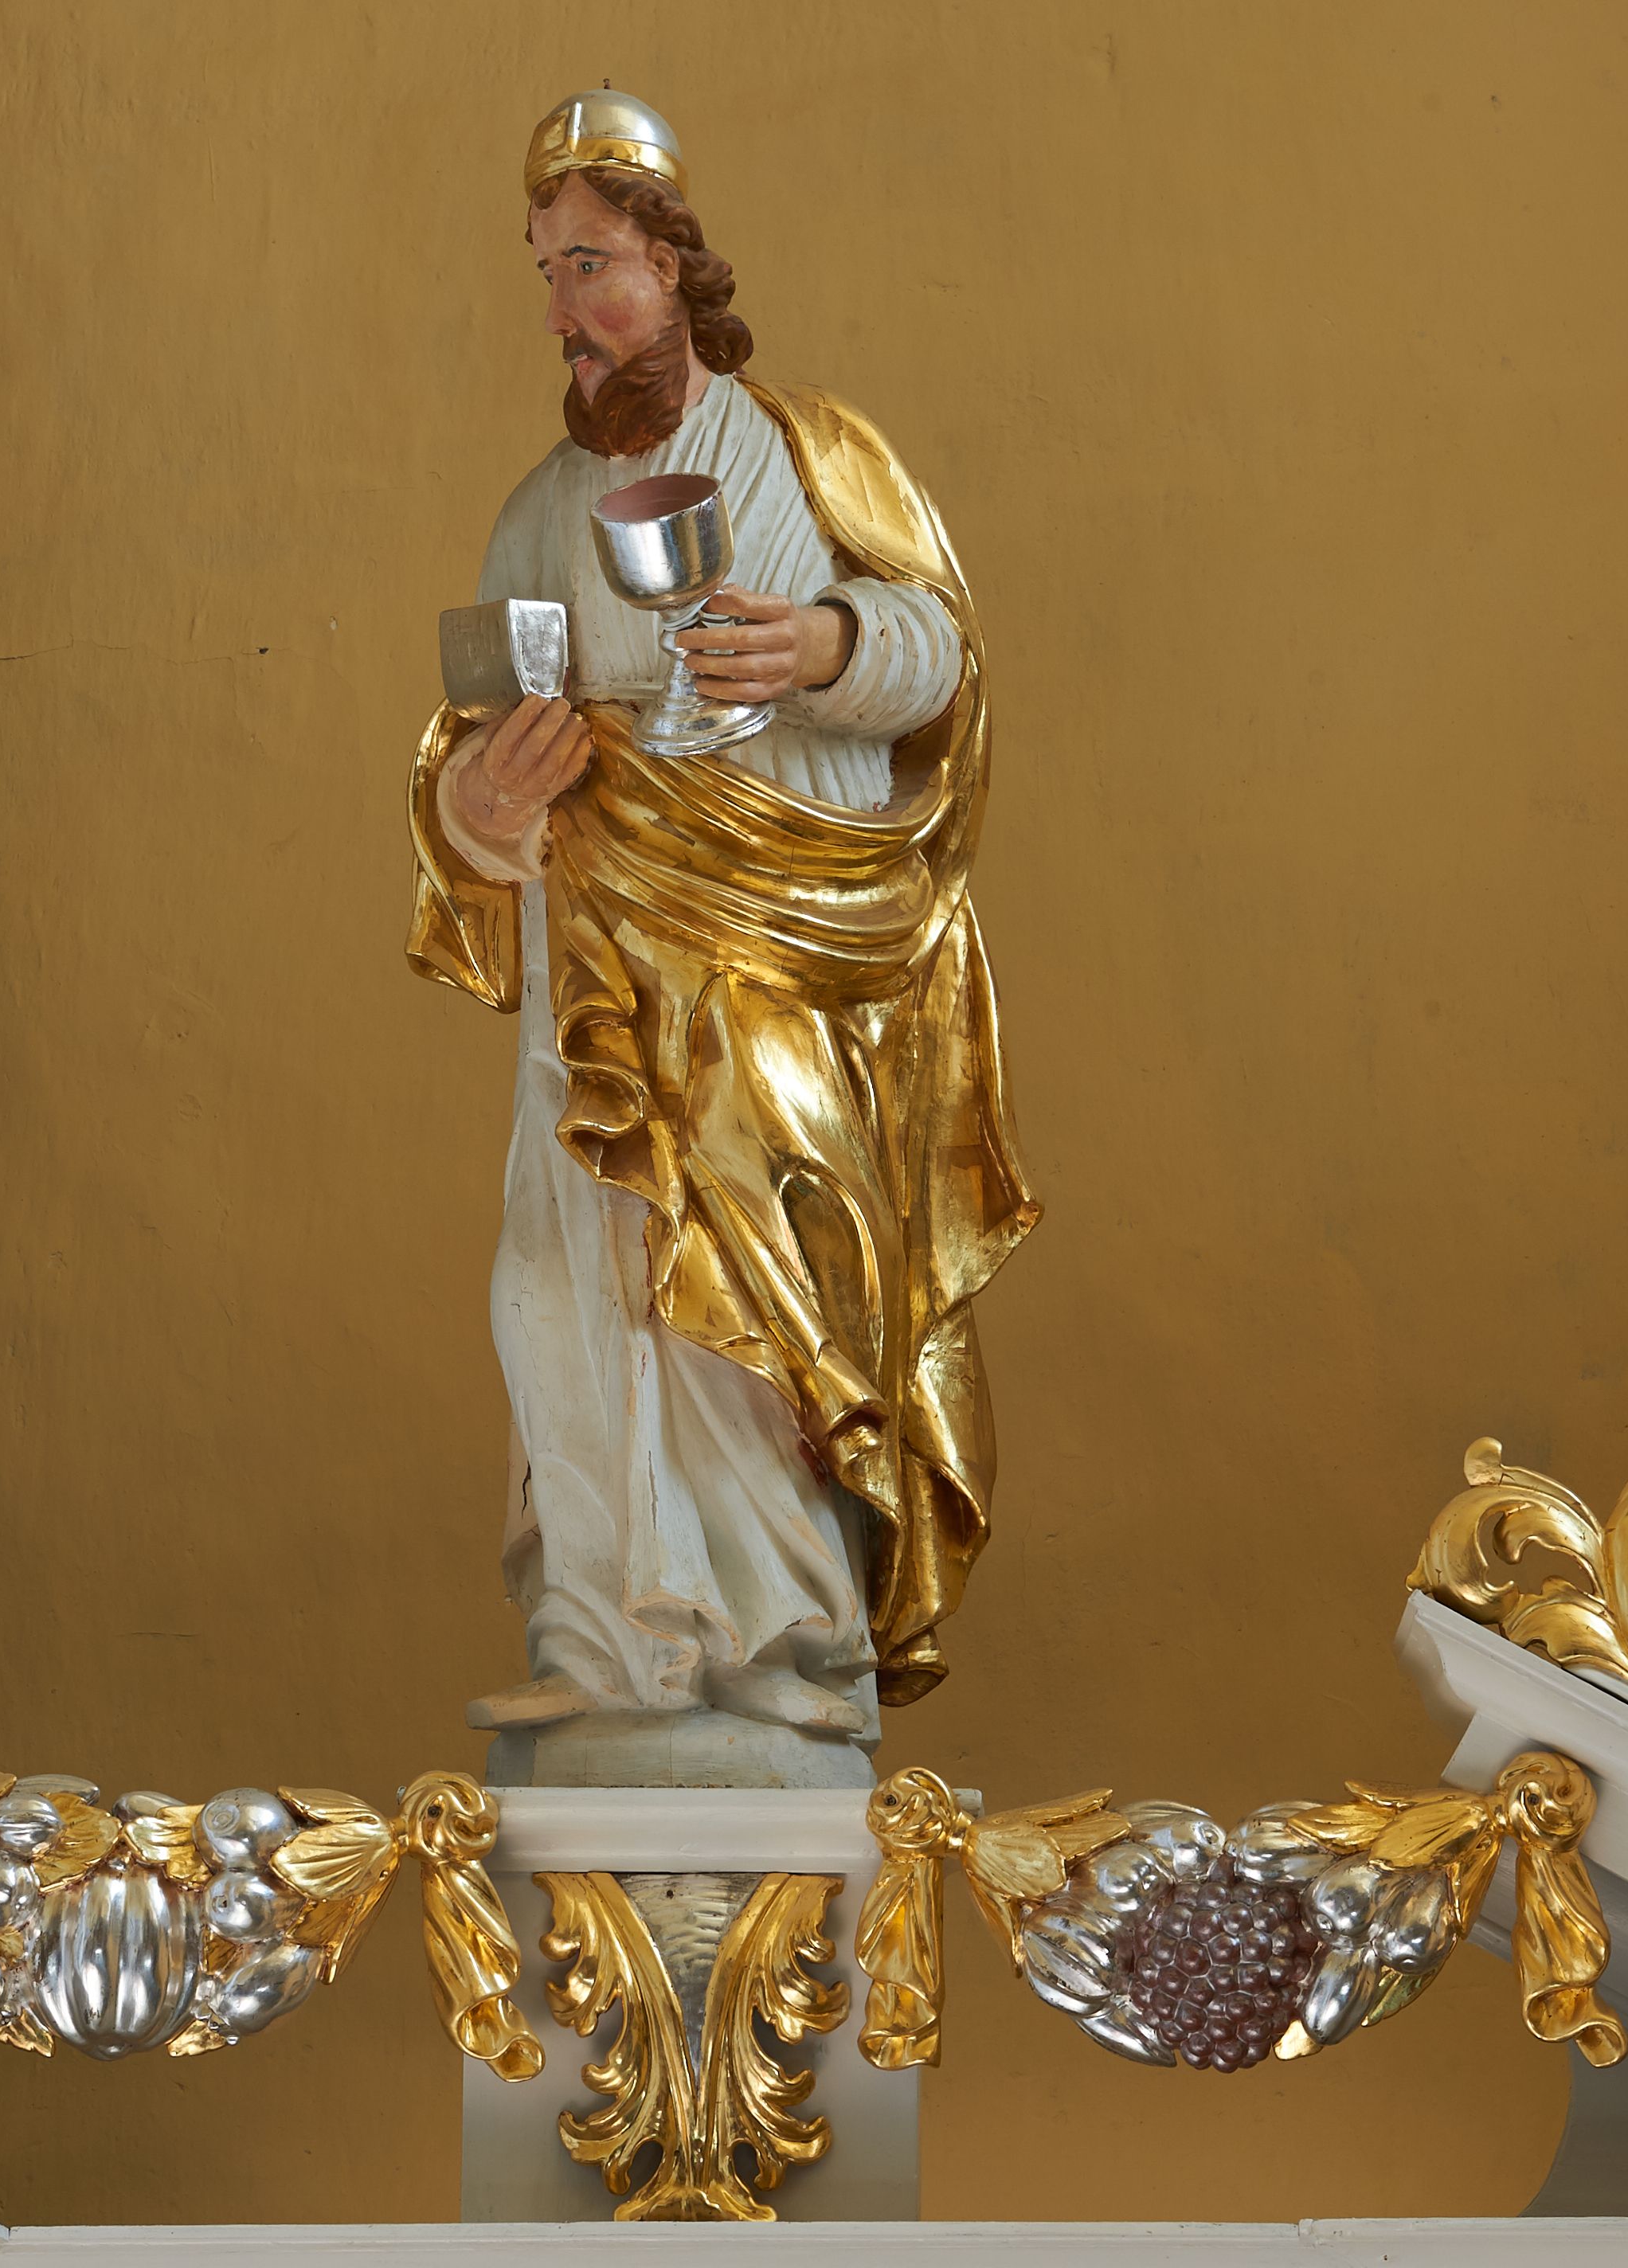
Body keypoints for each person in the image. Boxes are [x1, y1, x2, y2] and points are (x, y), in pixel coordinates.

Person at [409, 89, 1037, 1786]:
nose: (566, 307)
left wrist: (820, 645)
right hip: (597, 967)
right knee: (569, 1276)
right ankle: (609, 1639)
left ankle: (781, 1646)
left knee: (759, 1271)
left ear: (676, 265)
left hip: (782, 940)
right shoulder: (540, 513)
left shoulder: (811, 451)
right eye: (547, 272)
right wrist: (484, 802)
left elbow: (940, 655)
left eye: (593, 264)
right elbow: (467, 759)